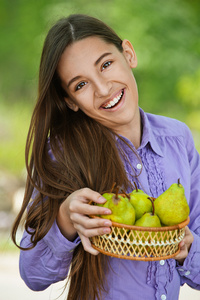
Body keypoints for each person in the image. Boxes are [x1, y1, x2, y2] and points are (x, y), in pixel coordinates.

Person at [11, 14, 200, 300]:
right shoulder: (62, 154)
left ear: (129, 53)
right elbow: (33, 276)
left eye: (106, 65)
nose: (102, 89)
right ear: (70, 102)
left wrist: (186, 249)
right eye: (80, 85)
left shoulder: (178, 138)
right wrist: (65, 220)